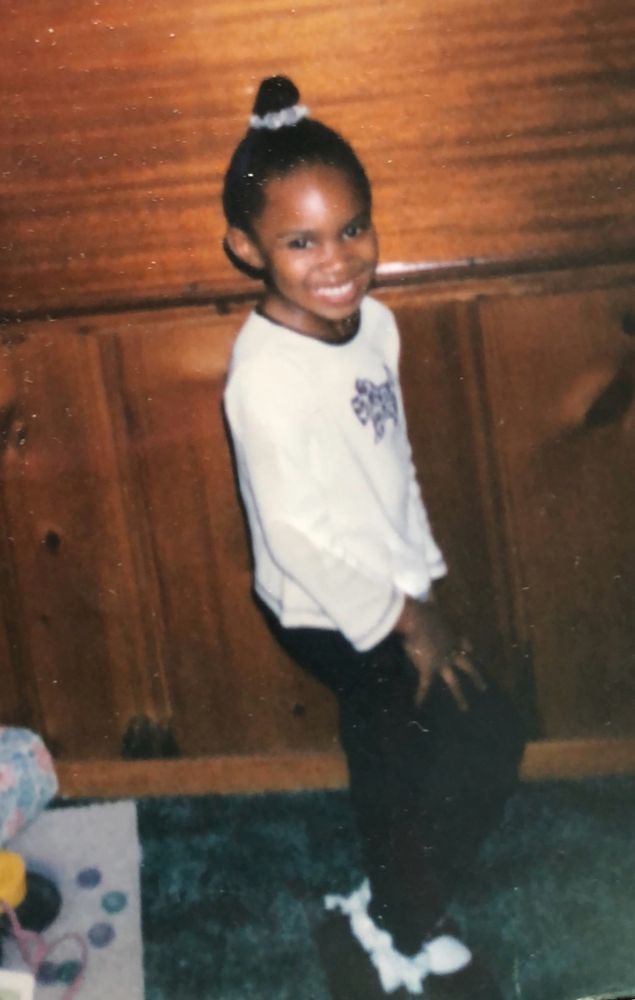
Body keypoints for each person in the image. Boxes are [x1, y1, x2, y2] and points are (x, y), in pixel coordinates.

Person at [222, 76, 525, 998]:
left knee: (471, 737)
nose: (337, 259)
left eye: (352, 228)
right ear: (246, 248)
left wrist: (423, 581)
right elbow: (295, 536)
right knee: (405, 758)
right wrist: (405, 619)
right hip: (324, 608)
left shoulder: (375, 327)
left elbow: (393, 468)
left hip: (391, 591)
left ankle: (392, 909)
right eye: (301, 240)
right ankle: (391, 924)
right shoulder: (264, 378)